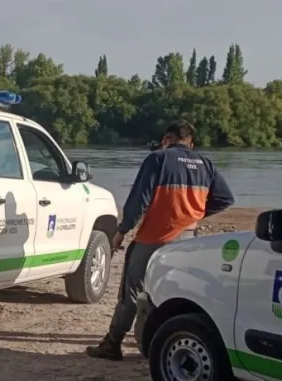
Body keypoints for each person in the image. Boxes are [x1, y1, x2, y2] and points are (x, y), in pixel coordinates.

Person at [86, 120, 235, 361]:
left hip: (154, 238)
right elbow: (225, 198)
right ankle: (160, 342)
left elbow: (138, 202)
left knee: (132, 291)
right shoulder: (205, 164)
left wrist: (122, 231)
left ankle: (112, 344)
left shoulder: (158, 159)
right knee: (176, 292)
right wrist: (194, 214)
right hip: (189, 240)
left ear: (166, 140)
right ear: (191, 144)